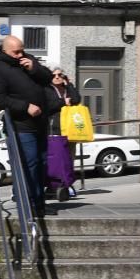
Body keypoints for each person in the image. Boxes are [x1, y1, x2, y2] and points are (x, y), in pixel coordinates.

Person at [0, 35, 53, 216]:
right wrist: (25, 107)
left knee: (41, 164)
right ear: (4, 50)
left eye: (21, 50)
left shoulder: (29, 60)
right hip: (21, 126)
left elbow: (48, 78)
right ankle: (28, 206)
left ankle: (40, 204)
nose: (19, 55)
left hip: (40, 124)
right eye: (15, 52)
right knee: (28, 165)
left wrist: (34, 69)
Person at [45, 66, 81, 201]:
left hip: (71, 129)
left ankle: (68, 184)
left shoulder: (67, 89)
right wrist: (63, 102)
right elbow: (47, 106)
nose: (57, 77)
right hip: (55, 129)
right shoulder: (47, 89)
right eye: (54, 75)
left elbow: (77, 99)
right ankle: (54, 185)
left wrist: (69, 84)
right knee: (57, 159)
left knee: (70, 158)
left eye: (60, 75)